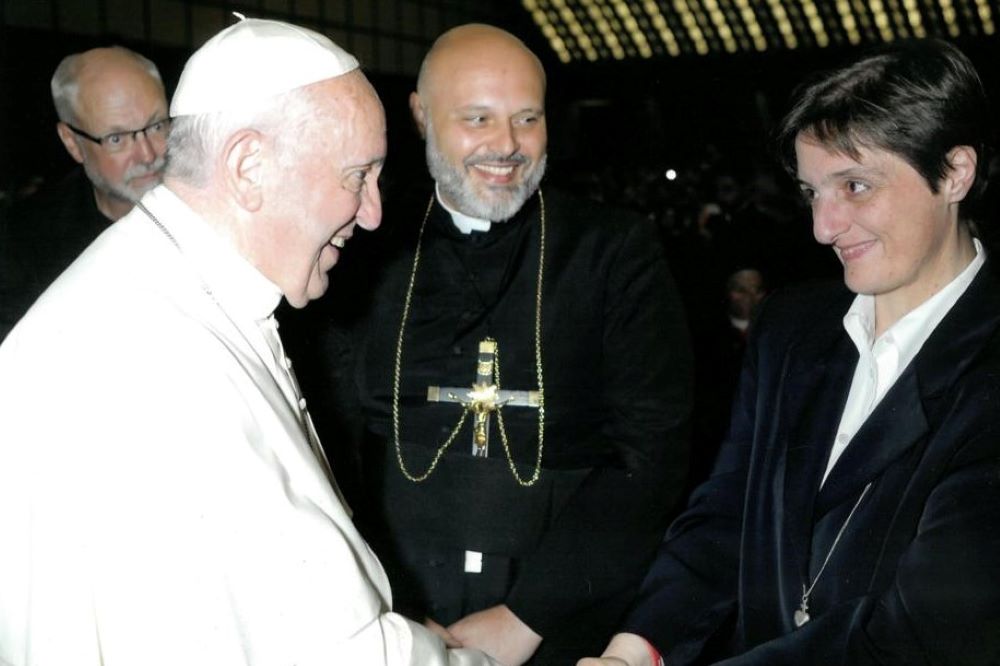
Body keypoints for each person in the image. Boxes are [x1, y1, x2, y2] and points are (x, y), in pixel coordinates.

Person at [0, 18, 495, 665]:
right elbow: (335, 651)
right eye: (357, 175)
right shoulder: (167, 359)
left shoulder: (157, 287)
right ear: (249, 167)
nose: (372, 213)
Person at [583, 39, 1000, 666]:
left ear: (954, 173)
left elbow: (924, 630)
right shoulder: (793, 328)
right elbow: (727, 515)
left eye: (855, 186)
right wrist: (638, 647)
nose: (823, 227)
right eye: (812, 193)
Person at [318, 23, 691, 666]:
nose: (507, 145)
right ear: (420, 115)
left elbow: (654, 451)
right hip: (386, 610)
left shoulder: (613, 250)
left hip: (564, 613)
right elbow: (328, 443)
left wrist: (531, 616)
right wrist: (392, 605)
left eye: (527, 118)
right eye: (478, 118)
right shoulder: (359, 248)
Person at [0, 46, 168, 340]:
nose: (148, 154)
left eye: (156, 125)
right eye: (117, 138)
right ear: (72, 143)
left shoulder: (222, 210)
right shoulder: (25, 247)